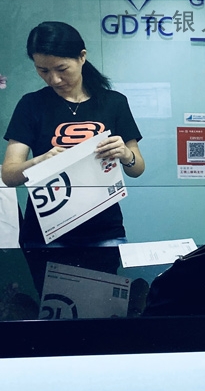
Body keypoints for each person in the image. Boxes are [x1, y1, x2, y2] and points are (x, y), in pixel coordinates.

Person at [2, 21, 145, 248]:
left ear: (82, 57)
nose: (54, 79)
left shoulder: (114, 102)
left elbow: (137, 169)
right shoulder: (31, 104)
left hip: (104, 231)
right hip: (45, 233)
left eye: (61, 69)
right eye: (43, 70)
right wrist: (40, 162)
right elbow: (9, 175)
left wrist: (127, 155)